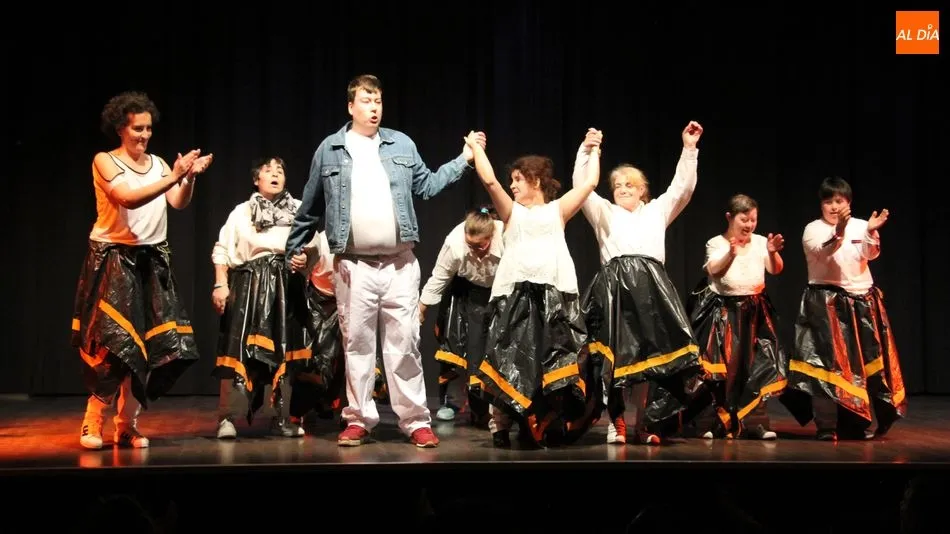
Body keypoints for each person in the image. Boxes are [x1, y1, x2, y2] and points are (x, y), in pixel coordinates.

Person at [285, 74, 486, 448]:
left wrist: (465, 159)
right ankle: (359, 419)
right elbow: (310, 207)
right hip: (353, 265)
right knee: (357, 346)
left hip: (399, 264)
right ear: (351, 106)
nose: (373, 108)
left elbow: (427, 185)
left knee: (405, 344)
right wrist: (294, 249)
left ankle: (415, 420)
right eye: (366, 101)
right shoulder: (331, 149)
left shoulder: (401, 144)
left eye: (377, 101)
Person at [72, 91, 213, 450]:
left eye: (149, 129)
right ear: (121, 128)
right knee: (113, 347)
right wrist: (174, 176)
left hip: (152, 261)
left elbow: (177, 202)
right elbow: (127, 198)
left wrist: (188, 178)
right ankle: (93, 420)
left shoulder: (159, 164)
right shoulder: (105, 161)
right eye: (138, 128)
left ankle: (127, 425)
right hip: (114, 260)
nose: (145, 135)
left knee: (151, 348)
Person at [464, 130, 601, 448]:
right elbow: (490, 182)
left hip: (554, 295)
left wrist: (593, 149)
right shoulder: (512, 212)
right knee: (507, 358)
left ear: (536, 180)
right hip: (515, 294)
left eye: (518, 179)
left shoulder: (558, 210)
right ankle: (500, 424)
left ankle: (547, 419)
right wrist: (475, 147)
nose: (512, 185)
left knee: (550, 360)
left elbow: (590, 183)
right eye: (511, 180)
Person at [575, 122, 706, 445]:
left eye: (629, 184)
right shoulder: (603, 211)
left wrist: (689, 149)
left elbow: (683, 189)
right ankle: (616, 420)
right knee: (616, 357)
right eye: (617, 185)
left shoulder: (657, 210)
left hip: (651, 289)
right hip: (615, 289)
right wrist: (587, 151)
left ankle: (646, 422)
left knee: (652, 358)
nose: (622, 188)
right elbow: (581, 188)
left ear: (642, 189)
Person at [779, 176, 906, 440]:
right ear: (821, 205)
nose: (834, 206)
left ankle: (856, 423)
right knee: (828, 366)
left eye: (839, 201)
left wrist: (870, 232)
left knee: (862, 366)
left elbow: (870, 255)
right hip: (826, 303)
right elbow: (823, 252)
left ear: (849, 202)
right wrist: (840, 230)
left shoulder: (861, 225)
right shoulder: (813, 229)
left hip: (862, 302)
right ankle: (826, 425)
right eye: (829, 202)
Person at [211, 157, 318, 439]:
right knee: (240, 351)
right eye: (268, 170)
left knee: (284, 351)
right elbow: (223, 249)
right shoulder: (242, 211)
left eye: (280, 170)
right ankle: (228, 417)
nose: (275, 174)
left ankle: (280, 417)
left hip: (287, 285)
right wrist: (220, 284)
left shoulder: (298, 209)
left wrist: (305, 257)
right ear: (256, 180)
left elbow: (315, 245)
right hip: (250, 286)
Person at [686, 193, 788, 440]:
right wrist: (731, 253)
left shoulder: (761, 242)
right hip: (723, 313)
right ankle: (713, 423)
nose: (749, 225)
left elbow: (775, 269)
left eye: (753, 220)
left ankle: (756, 422)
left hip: (755, 313)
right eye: (744, 219)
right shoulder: (716, 243)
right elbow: (714, 271)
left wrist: (772, 253)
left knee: (758, 367)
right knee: (720, 370)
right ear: (730, 217)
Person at [418, 205, 504, 425]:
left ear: (491, 237)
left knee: (494, 351)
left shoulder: (505, 237)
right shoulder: (455, 243)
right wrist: (421, 310)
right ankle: (453, 401)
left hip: (500, 294)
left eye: (480, 246)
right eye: (470, 245)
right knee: (458, 348)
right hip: (464, 293)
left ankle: (494, 408)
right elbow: (438, 278)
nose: (474, 250)